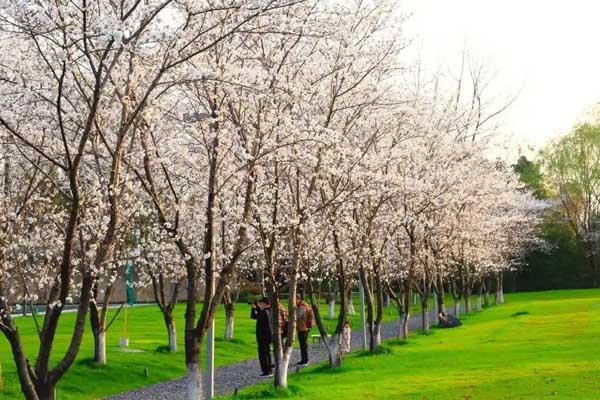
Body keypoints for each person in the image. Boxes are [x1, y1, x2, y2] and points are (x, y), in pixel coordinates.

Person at [251, 297, 273, 377]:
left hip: (263, 337)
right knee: (266, 353)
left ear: (265, 303)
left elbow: (259, 319)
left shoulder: (265, 313)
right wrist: (255, 308)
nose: (260, 305)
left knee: (263, 354)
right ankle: (268, 370)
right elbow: (254, 316)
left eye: (261, 303)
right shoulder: (267, 311)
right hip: (266, 337)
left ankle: (266, 371)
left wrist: (257, 308)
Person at [295, 294, 313, 366]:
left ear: (298, 299)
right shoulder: (304, 305)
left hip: (303, 327)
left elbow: (298, 316)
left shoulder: (302, 306)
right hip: (303, 327)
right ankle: (304, 359)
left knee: (303, 345)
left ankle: (305, 360)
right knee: (303, 344)